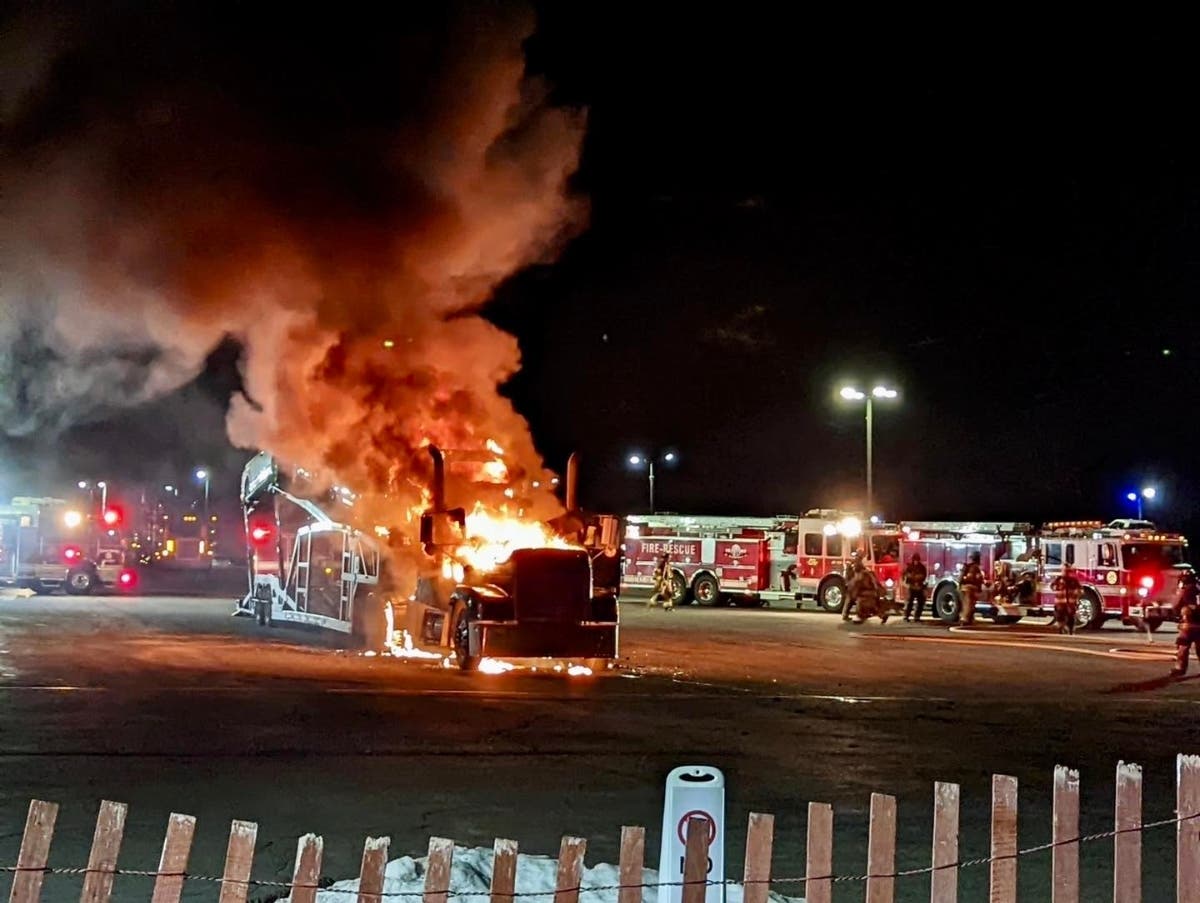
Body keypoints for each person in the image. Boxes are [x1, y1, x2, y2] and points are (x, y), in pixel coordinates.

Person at [1172, 578, 1200, 676]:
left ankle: (1180, 668)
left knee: (1183, 647)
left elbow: (1176, 606)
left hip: (1188, 625)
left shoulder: (1186, 591)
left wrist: (1176, 615)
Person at [1051, 565, 1081, 635]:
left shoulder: (1073, 580)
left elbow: (1080, 589)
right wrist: (1056, 587)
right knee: (1060, 616)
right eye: (1064, 571)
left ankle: (1070, 630)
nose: (1065, 573)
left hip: (1070, 603)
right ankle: (1061, 629)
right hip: (1060, 603)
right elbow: (1052, 586)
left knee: (1071, 617)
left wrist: (1077, 593)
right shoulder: (1059, 579)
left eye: (1067, 571)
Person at [959, 552, 984, 625]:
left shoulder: (967, 566)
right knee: (969, 604)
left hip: (964, 587)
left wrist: (959, 586)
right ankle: (965, 619)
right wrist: (979, 589)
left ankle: (968, 618)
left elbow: (960, 578)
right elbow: (979, 579)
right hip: (971, 588)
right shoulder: (976, 567)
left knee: (966, 604)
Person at [902, 553, 928, 621]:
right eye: (915, 560)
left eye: (917, 560)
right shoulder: (910, 567)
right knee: (910, 602)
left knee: (920, 603)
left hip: (919, 587)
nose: (916, 561)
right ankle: (906, 616)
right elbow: (906, 575)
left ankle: (917, 616)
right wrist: (912, 578)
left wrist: (917, 578)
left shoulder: (922, 567)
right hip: (912, 587)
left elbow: (924, 576)